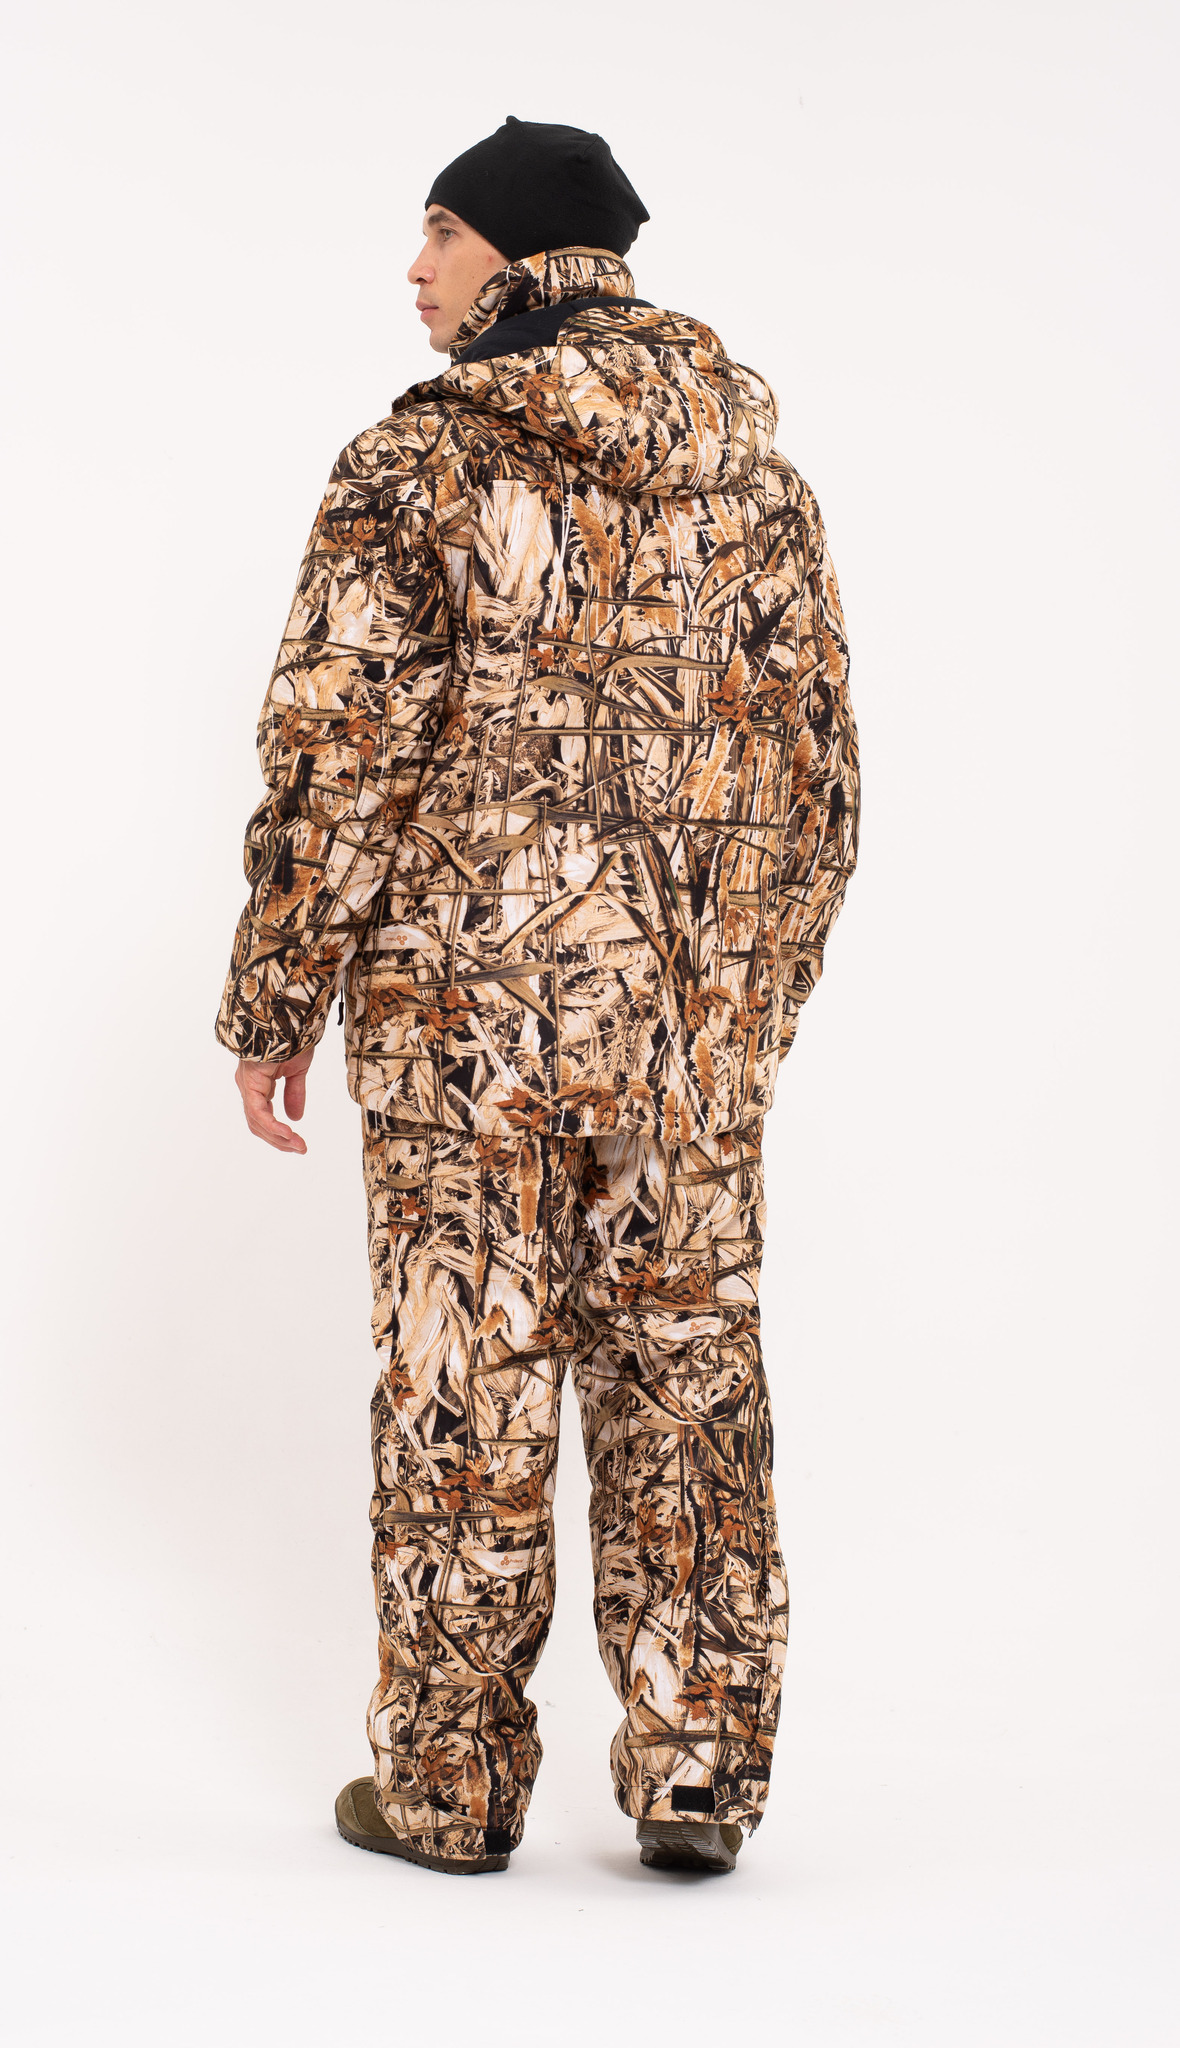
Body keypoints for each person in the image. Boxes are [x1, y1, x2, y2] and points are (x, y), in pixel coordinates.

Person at [217, 116, 859, 1877]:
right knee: (686, 1383)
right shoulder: (759, 489)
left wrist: (275, 998)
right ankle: (698, 1780)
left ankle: (448, 1791)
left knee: (466, 1386)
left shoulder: (417, 463)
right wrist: (740, 1011)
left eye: (438, 231)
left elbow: (339, 753)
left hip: (468, 1032)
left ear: (512, 254)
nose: (414, 269)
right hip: (685, 1046)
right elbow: (821, 783)